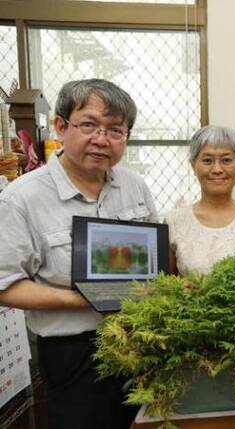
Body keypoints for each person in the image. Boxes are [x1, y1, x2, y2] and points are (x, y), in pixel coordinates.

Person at [0, 79, 157, 429]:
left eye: (115, 130)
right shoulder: (21, 199)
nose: (101, 139)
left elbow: (153, 264)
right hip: (73, 354)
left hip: (141, 341)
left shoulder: (136, 187)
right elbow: (4, 285)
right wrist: (81, 299)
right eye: (88, 125)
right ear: (60, 126)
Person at [165, 126, 235, 275]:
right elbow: (166, 285)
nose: (217, 169)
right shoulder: (174, 222)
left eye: (226, 160)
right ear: (193, 166)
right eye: (207, 160)